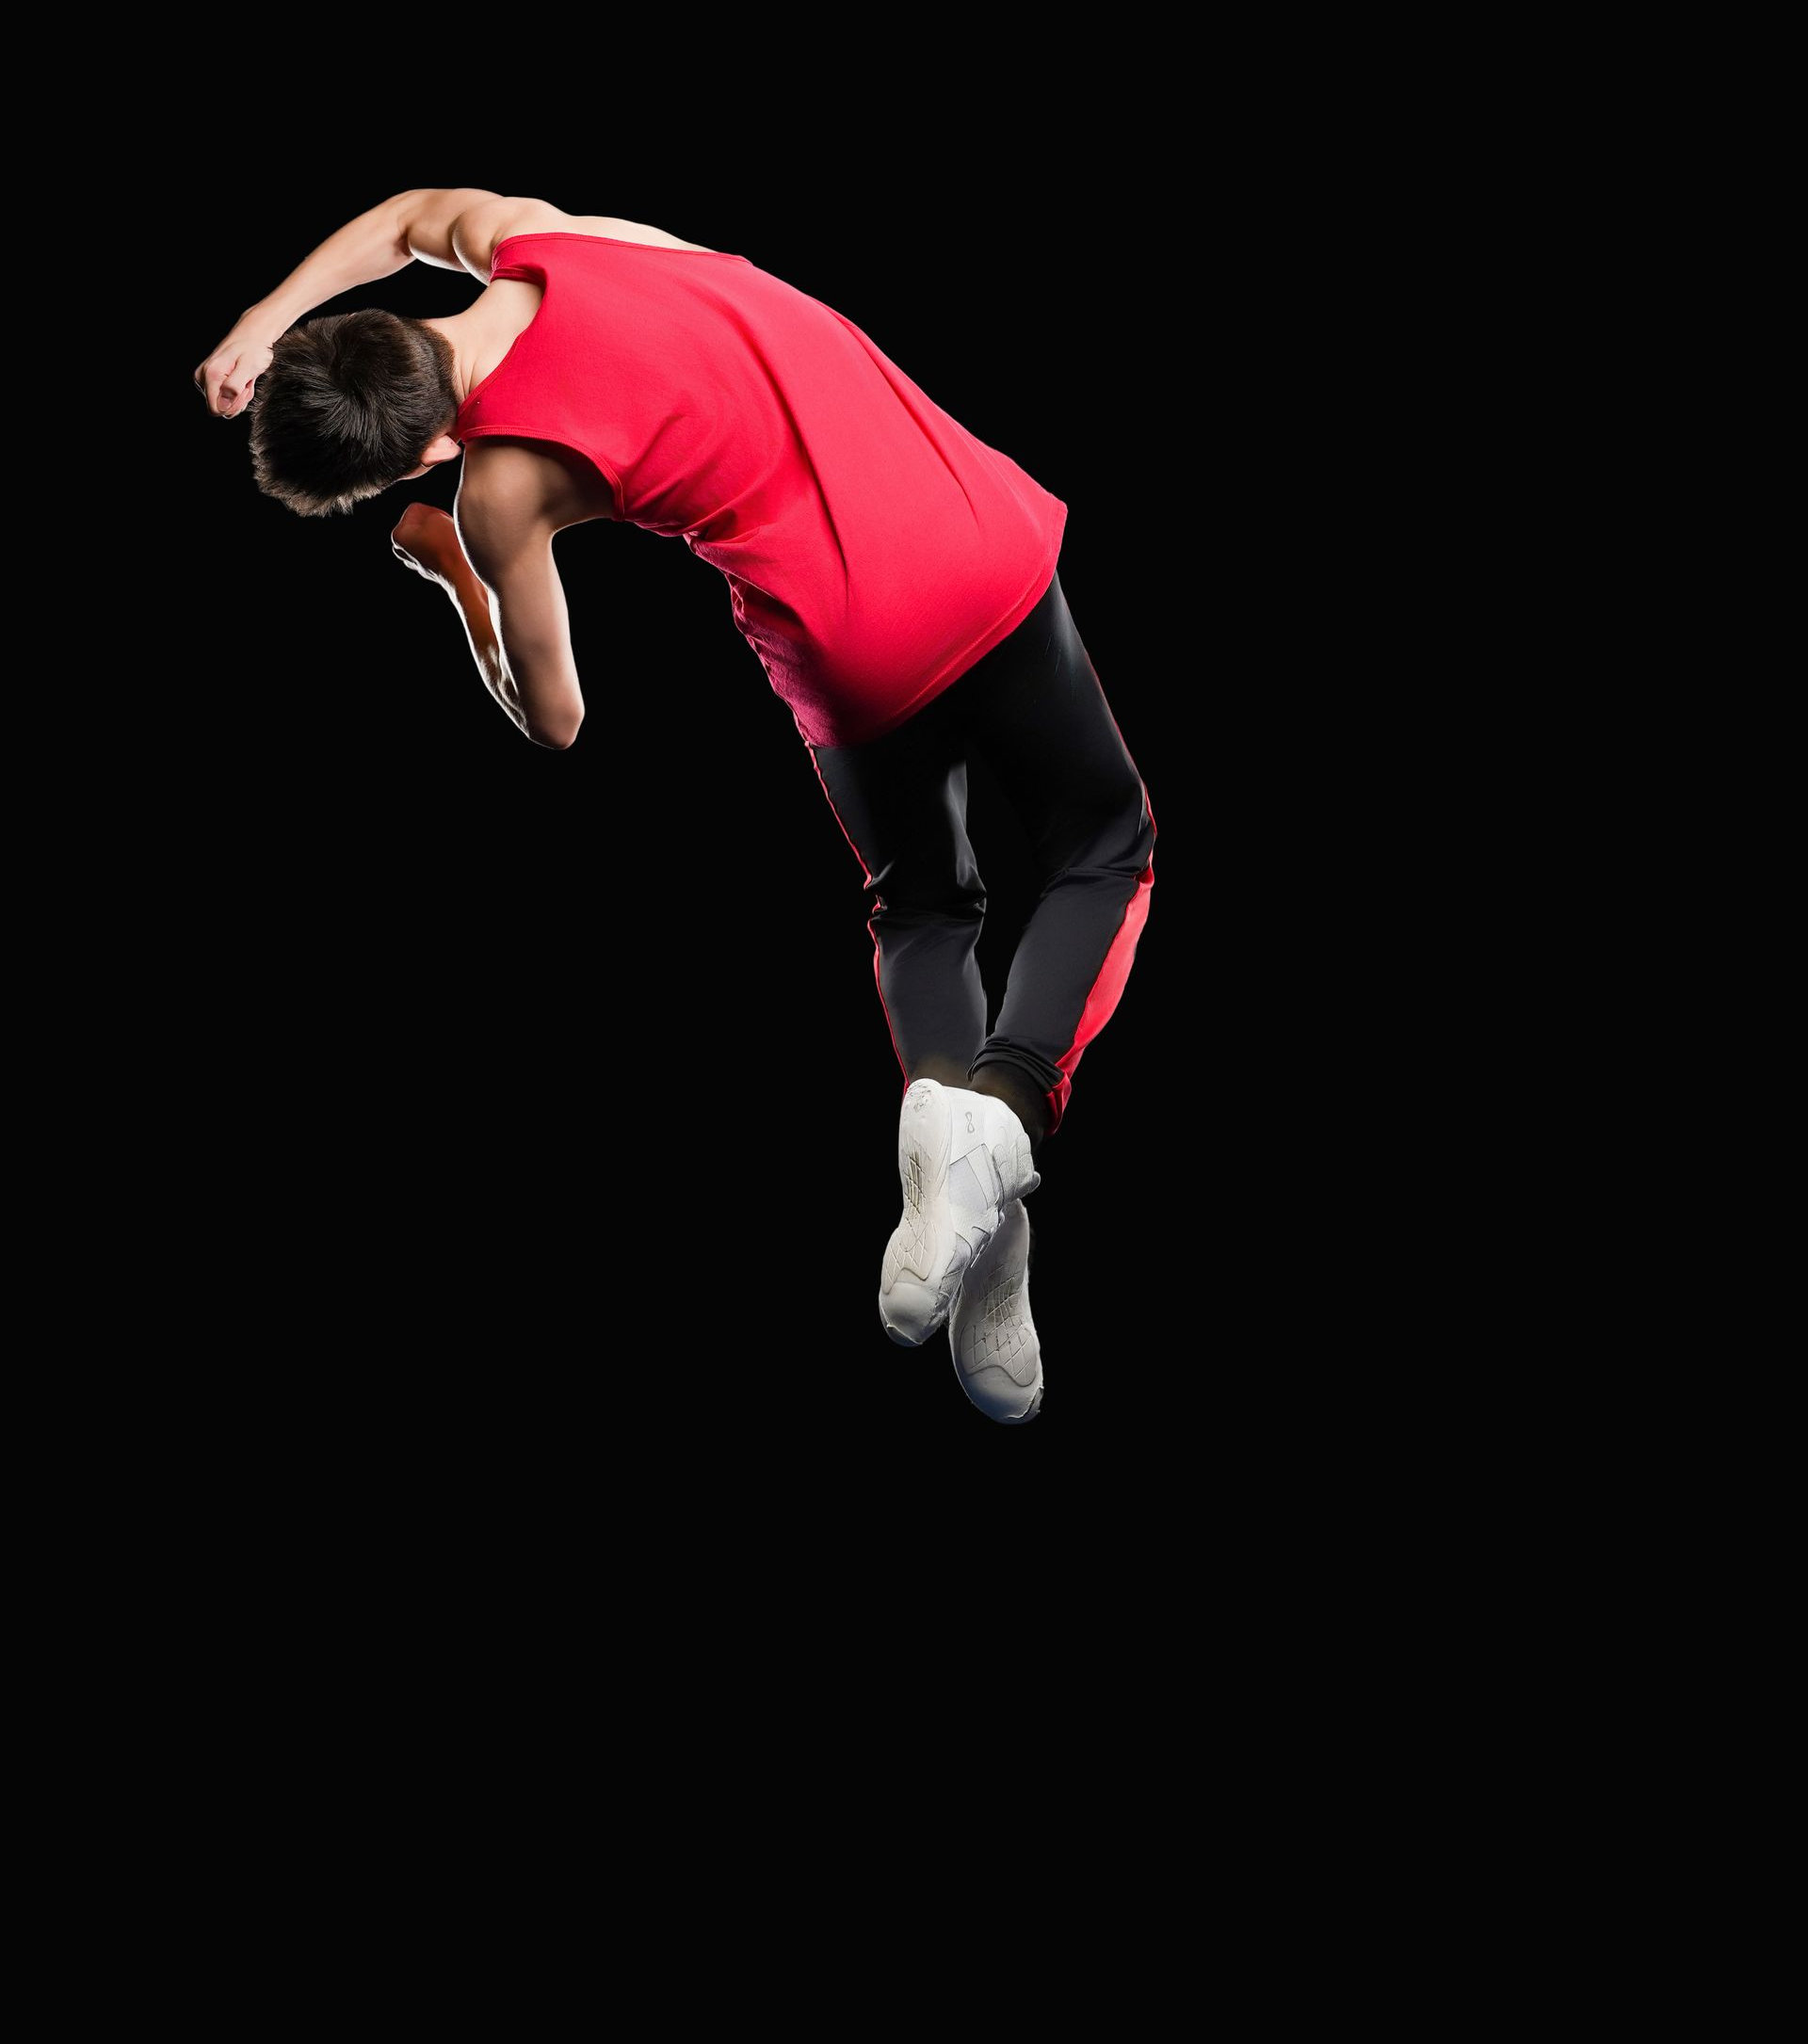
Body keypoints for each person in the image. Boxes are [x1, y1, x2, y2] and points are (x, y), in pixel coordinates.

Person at [194, 187, 1156, 1424]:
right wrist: (265, 319)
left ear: (420, 455)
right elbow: (411, 213)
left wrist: (453, 572)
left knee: (920, 901)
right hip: (962, 525)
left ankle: (970, 1181)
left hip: (839, 637)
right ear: (393, 321)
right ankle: (1002, 1121)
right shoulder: (539, 236)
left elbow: (554, 717)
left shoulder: (493, 494)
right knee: (1103, 843)